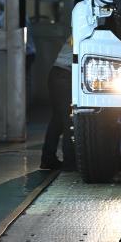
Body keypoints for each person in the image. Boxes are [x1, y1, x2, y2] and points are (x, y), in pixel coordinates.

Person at [41, 38, 76, 170]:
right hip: (65, 76)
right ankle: (70, 161)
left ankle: (48, 159)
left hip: (56, 74)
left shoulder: (78, 31)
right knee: (69, 120)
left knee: (58, 120)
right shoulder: (88, 31)